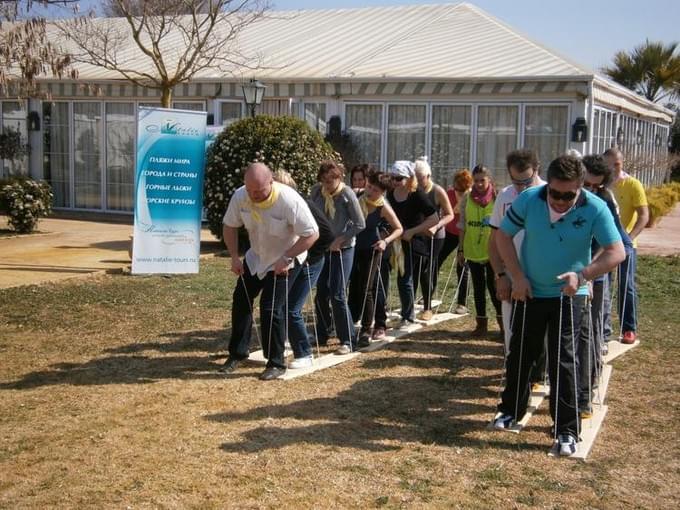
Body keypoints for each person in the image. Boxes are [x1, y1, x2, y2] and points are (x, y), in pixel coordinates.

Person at [493, 154, 625, 457]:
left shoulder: (595, 207)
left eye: (569, 195)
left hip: (570, 296)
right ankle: (511, 409)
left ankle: (566, 429)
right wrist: (516, 276)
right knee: (521, 353)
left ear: (580, 188)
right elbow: (503, 237)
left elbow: (617, 252)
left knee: (565, 361)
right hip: (530, 292)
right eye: (555, 193)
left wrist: (582, 275)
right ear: (547, 185)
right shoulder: (529, 199)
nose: (561, 200)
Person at [220, 163, 319, 380]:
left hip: (286, 258)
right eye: (250, 190)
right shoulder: (240, 196)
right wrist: (235, 257)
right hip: (257, 257)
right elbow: (229, 225)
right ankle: (237, 353)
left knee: (271, 307)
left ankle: (276, 362)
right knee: (241, 299)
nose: (254, 195)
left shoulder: (289, 200)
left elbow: (311, 234)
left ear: (271, 182)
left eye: (259, 191)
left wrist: (286, 258)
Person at [578, 155, 633, 415]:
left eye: (595, 186)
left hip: (595, 276)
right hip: (564, 275)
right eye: (585, 183)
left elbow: (615, 243)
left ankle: (586, 390)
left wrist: (589, 273)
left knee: (591, 330)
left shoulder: (605, 201)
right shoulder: (561, 196)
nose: (589, 189)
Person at [271, 170, 335, 370]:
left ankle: (304, 353)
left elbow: (326, 235)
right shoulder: (279, 207)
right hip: (293, 260)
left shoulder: (303, 204)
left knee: (292, 307)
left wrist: (309, 257)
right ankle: (285, 342)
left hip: (310, 261)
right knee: (281, 304)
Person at [489, 149, 545, 352]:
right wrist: (500, 275)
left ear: (537, 170)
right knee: (512, 335)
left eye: (526, 182)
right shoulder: (504, 196)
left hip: (543, 278)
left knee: (539, 334)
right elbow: (494, 240)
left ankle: (538, 377)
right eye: (516, 182)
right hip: (511, 276)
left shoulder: (551, 194)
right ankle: (514, 375)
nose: (521, 187)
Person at [310, 161, 366, 354]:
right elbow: (311, 215)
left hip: (343, 250)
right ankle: (323, 332)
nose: (326, 184)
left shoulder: (347, 194)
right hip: (323, 248)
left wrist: (341, 239)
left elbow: (360, 224)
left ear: (339, 178)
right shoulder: (317, 192)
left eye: (330, 180)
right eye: (323, 180)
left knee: (337, 293)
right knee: (321, 293)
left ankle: (348, 340)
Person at [352, 171, 403, 346]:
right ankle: (351, 321)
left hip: (372, 249)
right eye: (369, 186)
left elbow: (399, 228)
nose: (369, 191)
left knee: (367, 288)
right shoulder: (357, 196)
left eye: (374, 190)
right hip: (353, 247)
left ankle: (366, 330)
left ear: (382, 192)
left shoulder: (383, 207)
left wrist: (385, 241)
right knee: (355, 286)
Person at [604, 148, 648, 344]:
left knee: (626, 286)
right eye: (609, 164)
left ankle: (629, 328)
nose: (613, 168)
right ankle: (603, 330)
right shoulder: (601, 185)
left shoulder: (632, 184)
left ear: (622, 163)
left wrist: (628, 238)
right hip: (604, 245)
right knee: (603, 287)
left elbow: (644, 215)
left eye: (617, 164)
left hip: (627, 244)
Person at [387, 160, 438, 328]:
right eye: (392, 178)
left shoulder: (416, 194)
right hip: (396, 240)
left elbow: (433, 218)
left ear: (409, 178)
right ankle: (402, 313)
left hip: (413, 241)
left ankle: (407, 316)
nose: (395, 182)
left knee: (405, 278)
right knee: (400, 277)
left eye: (399, 178)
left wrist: (413, 231)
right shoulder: (390, 194)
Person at [458, 165, 501, 337]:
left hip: (493, 252)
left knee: (495, 287)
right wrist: (460, 249)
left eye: (482, 180)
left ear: (489, 180)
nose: (479, 184)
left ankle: (502, 325)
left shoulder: (498, 197)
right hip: (472, 250)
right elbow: (462, 225)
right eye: (476, 181)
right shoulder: (467, 198)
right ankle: (481, 324)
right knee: (478, 287)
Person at [414, 158, 453, 321]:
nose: (418, 181)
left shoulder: (437, 191)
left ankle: (427, 307)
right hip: (418, 234)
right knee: (415, 270)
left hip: (435, 236)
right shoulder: (413, 190)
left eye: (421, 177)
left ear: (428, 176)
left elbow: (450, 214)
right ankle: (410, 304)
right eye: (415, 177)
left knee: (427, 270)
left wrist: (436, 226)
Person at [438, 169, 473, 314]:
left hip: (466, 234)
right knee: (437, 260)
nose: (458, 191)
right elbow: (446, 211)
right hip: (450, 232)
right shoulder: (449, 194)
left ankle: (462, 303)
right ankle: (428, 295)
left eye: (462, 189)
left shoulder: (471, 196)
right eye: (456, 188)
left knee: (462, 266)